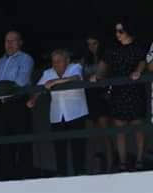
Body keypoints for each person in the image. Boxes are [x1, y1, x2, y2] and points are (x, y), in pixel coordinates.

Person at [28, 49, 90, 176]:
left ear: (67, 61)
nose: (55, 64)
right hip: (57, 115)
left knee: (78, 147)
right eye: (53, 61)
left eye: (59, 61)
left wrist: (54, 82)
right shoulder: (48, 73)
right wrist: (33, 99)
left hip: (76, 113)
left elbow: (76, 78)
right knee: (59, 148)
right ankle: (61, 176)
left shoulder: (75, 67)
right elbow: (39, 88)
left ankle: (80, 175)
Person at [0, 31, 35, 180]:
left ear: (20, 42)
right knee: (4, 144)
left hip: (18, 103)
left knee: (22, 143)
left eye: (13, 41)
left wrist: (2, 88)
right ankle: (7, 178)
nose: (9, 44)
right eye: (6, 41)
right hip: (0, 106)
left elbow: (20, 82)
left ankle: (25, 178)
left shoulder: (25, 59)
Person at [107, 20, 147, 171]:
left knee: (138, 127)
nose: (117, 34)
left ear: (128, 31)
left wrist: (138, 71)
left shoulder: (138, 47)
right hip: (118, 92)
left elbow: (143, 62)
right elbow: (105, 65)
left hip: (135, 91)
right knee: (120, 129)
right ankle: (122, 163)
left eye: (120, 31)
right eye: (116, 31)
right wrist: (97, 76)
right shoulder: (114, 49)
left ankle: (140, 161)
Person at [83, 35, 113, 172]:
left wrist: (96, 77)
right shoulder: (85, 60)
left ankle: (110, 167)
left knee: (106, 134)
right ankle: (92, 169)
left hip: (102, 97)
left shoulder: (106, 57)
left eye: (94, 43)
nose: (92, 47)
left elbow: (102, 74)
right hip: (88, 98)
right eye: (89, 44)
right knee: (91, 137)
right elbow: (81, 77)